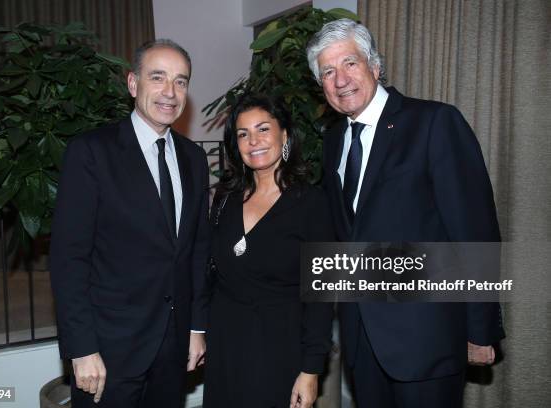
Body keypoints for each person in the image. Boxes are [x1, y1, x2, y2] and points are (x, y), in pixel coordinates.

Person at [306, 19, 505, 408]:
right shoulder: (333, 141)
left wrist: (481, 330)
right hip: (362, 343)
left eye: (350, 63)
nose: (340, 79)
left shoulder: (434, 123)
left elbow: (475, 231)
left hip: (427, 339)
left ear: (375, 67)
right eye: (327, 72)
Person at [50, 39, 210, 408]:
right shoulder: (91, 152)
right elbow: (69, 258)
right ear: (133, 84)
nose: (170, 92)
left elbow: (197, 250)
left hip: (173, 348)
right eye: (158, 78)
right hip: (108, 352)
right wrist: (82, 348)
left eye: (181, 81)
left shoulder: (194, 159)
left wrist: (196, 327)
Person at [202, 94, 335, 408]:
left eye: (263, 129)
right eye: (243, 134)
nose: (254, 141)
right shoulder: (225, 196)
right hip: (225, 345)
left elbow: (322, 293)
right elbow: (212, 273)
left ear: (284, 135)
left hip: (280, 349)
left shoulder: (312, 203)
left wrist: (311, 369)